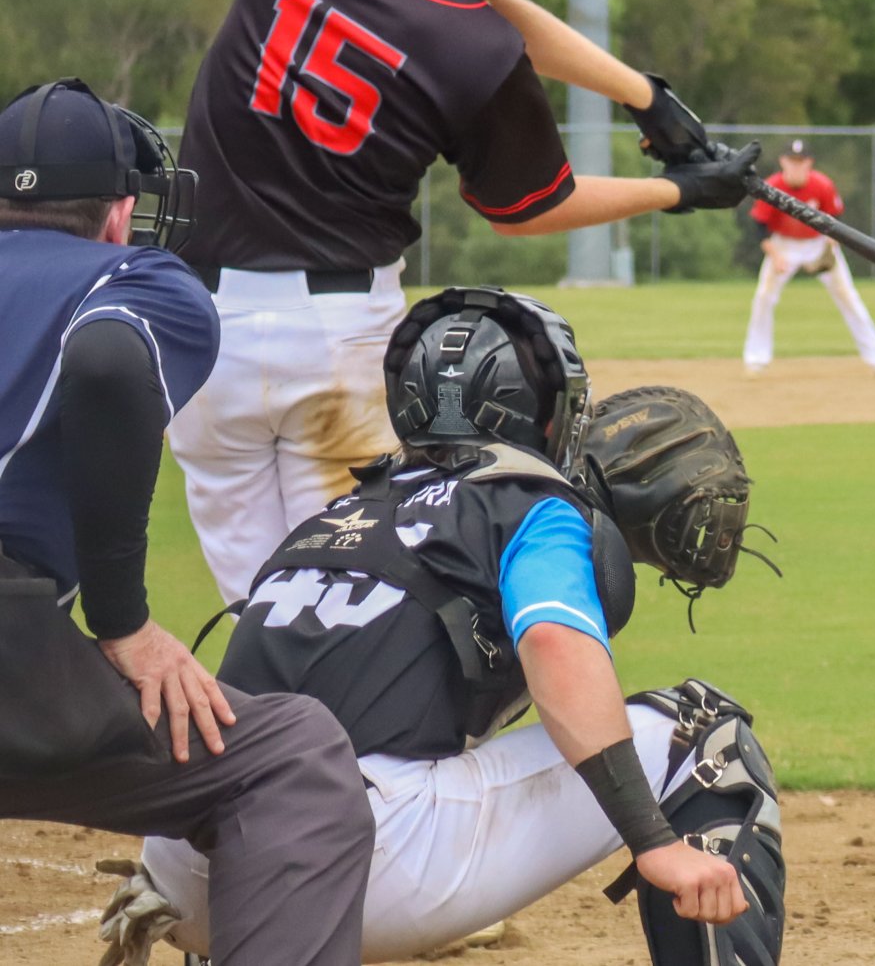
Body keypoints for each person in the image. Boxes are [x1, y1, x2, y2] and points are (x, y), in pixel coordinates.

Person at [171, 0, 763, 603]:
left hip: (201, 333)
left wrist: (642, 94)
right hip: (334, 342)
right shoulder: (476, 50)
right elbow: (531, 205)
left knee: (255, 612)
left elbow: (467, 2)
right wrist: (680, 189)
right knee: (354, 608)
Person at [113, 287, 785, 966]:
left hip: (185, 860)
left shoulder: (342, 512)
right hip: (347, 861)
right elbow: (553, 643)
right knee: (706, 735)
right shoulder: (531, 503)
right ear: (552, 415)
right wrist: (654, 841)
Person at [0, 80, 372, 966]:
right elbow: (106, 358)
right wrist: (123, 622)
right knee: (291, 757)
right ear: (120, 212)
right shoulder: (134, 276)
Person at [745, 139, 875, 376]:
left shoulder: (822, 184)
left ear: (809, 163)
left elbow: (835, 221)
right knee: (763, 297)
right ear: (783, 161)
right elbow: (759, 228)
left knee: (848, 296)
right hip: (783, 245)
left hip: (817, 242)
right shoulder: (771, 186)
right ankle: (756, 360)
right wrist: (775, 256)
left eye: (801, 161)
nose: (796, 165)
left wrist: (830, 247)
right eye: (792, 160)